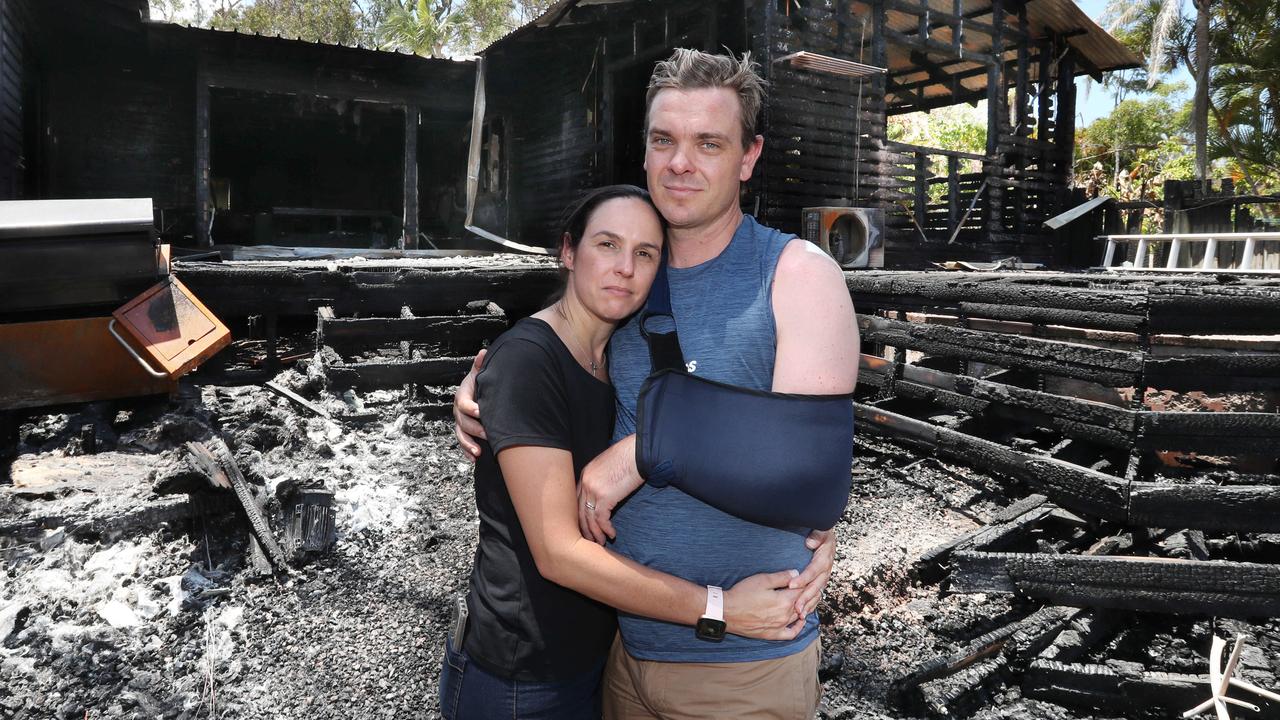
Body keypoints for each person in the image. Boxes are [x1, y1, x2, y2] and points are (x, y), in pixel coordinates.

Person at [455, 50, 858, 719]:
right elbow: (553, 364)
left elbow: (809, 474)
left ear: (749, 157)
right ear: (643, 151)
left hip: (743, 668)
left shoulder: (796, 275)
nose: (681, 163)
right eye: (664, 140)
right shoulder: (631, 277)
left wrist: (648, 452)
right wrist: (479, 387)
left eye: (709, 143)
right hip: (621, 657)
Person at [439, 185, 820, 720]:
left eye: (645, 253)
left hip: (601, 659)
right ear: (569, 252)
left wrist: (818, 533)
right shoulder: (528, 362)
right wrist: (721, 609)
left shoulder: (620, 351)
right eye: (607, 245)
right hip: (522, 675)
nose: (625, 268)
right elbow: (558, 553)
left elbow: (752, 424)